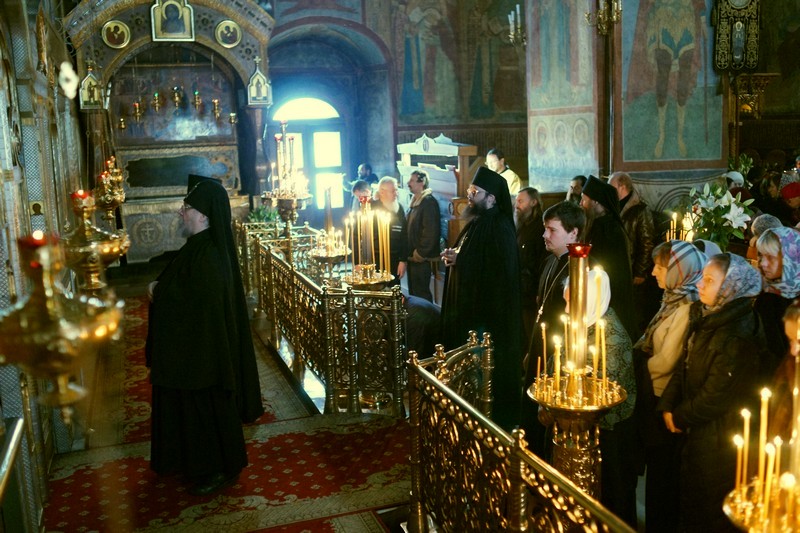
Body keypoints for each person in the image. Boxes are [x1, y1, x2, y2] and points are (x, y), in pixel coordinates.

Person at [146, 175, 264, 496]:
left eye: (186, 207)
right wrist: (162, 288)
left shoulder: (210, 255)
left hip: (206, 356)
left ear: (203, 215)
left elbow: (197, 304)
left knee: (207, 413)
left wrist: (160, 292)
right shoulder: (197, 248)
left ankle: (219, 469)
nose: (181, 212)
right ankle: (195, 464)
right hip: (194, 352)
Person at [659, 253, 764, 533]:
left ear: (730, 286)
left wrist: (679, 416)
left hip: (718, 440)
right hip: (698, 434)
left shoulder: (738, 333)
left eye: (709, 280)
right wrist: (668, 403)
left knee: (707, 514)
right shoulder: (707, 314)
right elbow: (685, 364)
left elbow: (718, 395)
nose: (699, 285)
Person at [440, 166, 522, 431]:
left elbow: (497, 273)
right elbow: (474, 256)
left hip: (488, 317)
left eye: (475, 192)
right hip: (471, 311)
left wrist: (462, 260)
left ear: (492, 198)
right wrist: (457, 257)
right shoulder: (479, 222)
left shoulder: (500, 227)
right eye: (470, 190)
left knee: (483, 372)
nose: (469, 195)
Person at [634, 240, 706, 533]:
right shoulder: (671, 299)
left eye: (660, 267)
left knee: (662, 476)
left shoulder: (687, 308)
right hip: (654, 391)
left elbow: (667, 361)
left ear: (679, 270)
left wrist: (635, 368)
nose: (653, 272)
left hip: (663, 398)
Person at [561, 269, 638, 527]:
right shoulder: (582, 326)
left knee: (607, 502)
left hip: (608, 436)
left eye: (572, 302)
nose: (567, 309)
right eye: (566, 301)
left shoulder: (613, 338)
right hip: (578, 429)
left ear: (592, 300)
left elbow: (603, 393)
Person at [520, 200, 585, 456]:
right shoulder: (550, 261)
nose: (545, 235)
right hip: (540, 344)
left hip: (558, 354)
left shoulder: (578, 268)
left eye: (552, 230)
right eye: (545, 229)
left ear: (573, 232)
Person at [580, 175, 636, 337]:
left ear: (596, 202)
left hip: (611, 296)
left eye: (584, 200)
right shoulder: (601, 225)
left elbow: (607, 268)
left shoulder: (608, 229)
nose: (581, 204)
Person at [609, 171, 657, 337]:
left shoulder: (640, 210)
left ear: (622, 187)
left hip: (633, 270)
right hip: (618, 269)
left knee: (634, 313)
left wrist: (640, 272)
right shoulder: (614, 206)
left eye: (611, 187)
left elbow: (647, 242)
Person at [755, 226, 800, 376]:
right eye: (761, 256)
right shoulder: (767, 296)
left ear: (790, 258)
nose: (763, 263)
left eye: (771, 257)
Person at [515, 187, 546, 345]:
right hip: (521, 290)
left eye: (521, 201)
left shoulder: (540, 228)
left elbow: (541, 262)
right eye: (516, 201)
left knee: (532, 335)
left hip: (532, 293)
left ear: (533, 202)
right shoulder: (522, 225)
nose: (517, 205)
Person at [406, 170, 441, 302]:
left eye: (412, 180)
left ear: (422, 183)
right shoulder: (415, 202)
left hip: (421, 257)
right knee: (414, 292)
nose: (408, 183)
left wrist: (420, 253)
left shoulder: (428, 202)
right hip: (412, 256)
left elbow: (431, 231)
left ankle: (426, 315)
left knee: (421, 293)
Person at [370, 177, 408, 284]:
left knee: (394, 289)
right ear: (382, 192)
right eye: (393, 191)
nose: (396, 193)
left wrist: (403, 260)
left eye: (396, 190)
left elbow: (404, 236)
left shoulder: (399, 208)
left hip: (395, 258)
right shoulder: (372, 208)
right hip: (375, 258)